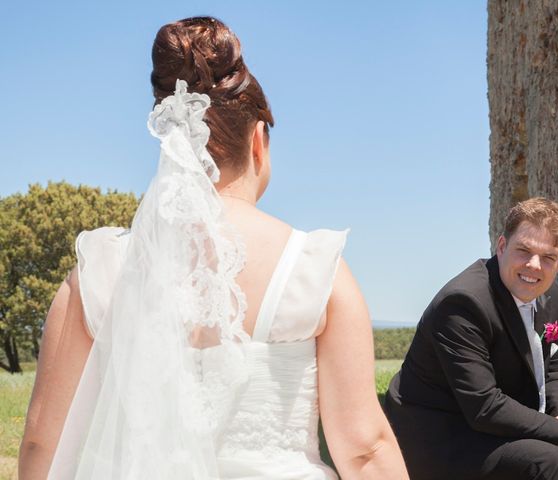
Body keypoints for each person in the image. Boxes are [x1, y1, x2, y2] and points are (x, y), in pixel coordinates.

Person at [19, 17, 409, 480]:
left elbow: (45, 440)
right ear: (258, 141)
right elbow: (364, 449)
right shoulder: (314, 268)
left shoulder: (98, 270)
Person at [385, 197, 558, 479]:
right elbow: (483, 405)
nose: (534, 266)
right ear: (502, 247)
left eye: (548, 257)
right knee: (545, 462)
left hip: (485, 428)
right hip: (437, 436)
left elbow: (551, 369)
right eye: (524, 251)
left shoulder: (551, 297)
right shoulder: (463, 303)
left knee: (544, 455)